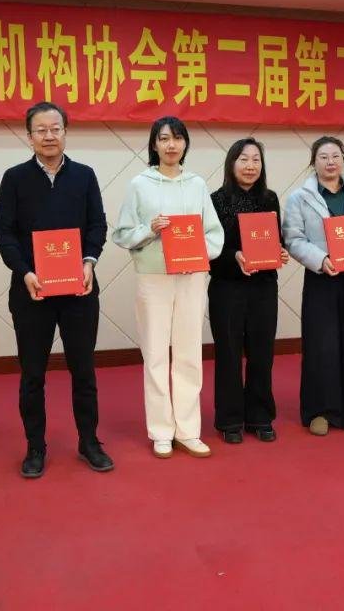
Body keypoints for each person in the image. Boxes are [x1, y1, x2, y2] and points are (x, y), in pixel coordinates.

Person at [0, 101, 114, 479]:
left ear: (65, 132)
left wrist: (89, 261)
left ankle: (89, 441)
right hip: (32, 292)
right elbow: (4, 232)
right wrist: (25, 272)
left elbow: (97, 225)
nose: (49, 136)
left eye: (55, 129)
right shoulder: (14, 178)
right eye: (41, 130)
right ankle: (35, 447)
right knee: (32, 375)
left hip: (79, 290)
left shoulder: (84, 176)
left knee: (84, 371)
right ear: (29, 136)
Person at [112, 116, 223, 459]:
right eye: (164, 139)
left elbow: (214, 234)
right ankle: (161, 430)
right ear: (154, 144)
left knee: (189, 353)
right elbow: (122, 234)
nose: (171, 145)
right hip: (153, 277)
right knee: (156, 353)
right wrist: (150, 229)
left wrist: (197, 254)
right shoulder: (139, 184)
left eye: (177, 138)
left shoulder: (197, 184)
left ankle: (188, 430)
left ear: (186, 143)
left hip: (191, 276)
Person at [282, 136, 344, 435]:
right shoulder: (299, 198)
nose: (330, 162)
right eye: (323, 157)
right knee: (321, 345)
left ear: (343, 159)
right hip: (321, 277)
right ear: (313, 162)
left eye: (335, 156)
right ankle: (319, 411)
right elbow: (294, 239)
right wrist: (321, 259)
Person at [208, 138, 289, 444]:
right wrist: (235, 257)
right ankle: (229, 419)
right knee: (228, 354)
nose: (250, 166)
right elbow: (209, 249)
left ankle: (260, 416)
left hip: (263, 287)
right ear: (231, 163)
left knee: (262, 353)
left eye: (256, 160)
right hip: (227, 287)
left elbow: (275, 239)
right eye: (243, 159)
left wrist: (280, 252)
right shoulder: (215, 200)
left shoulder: (269, 198)